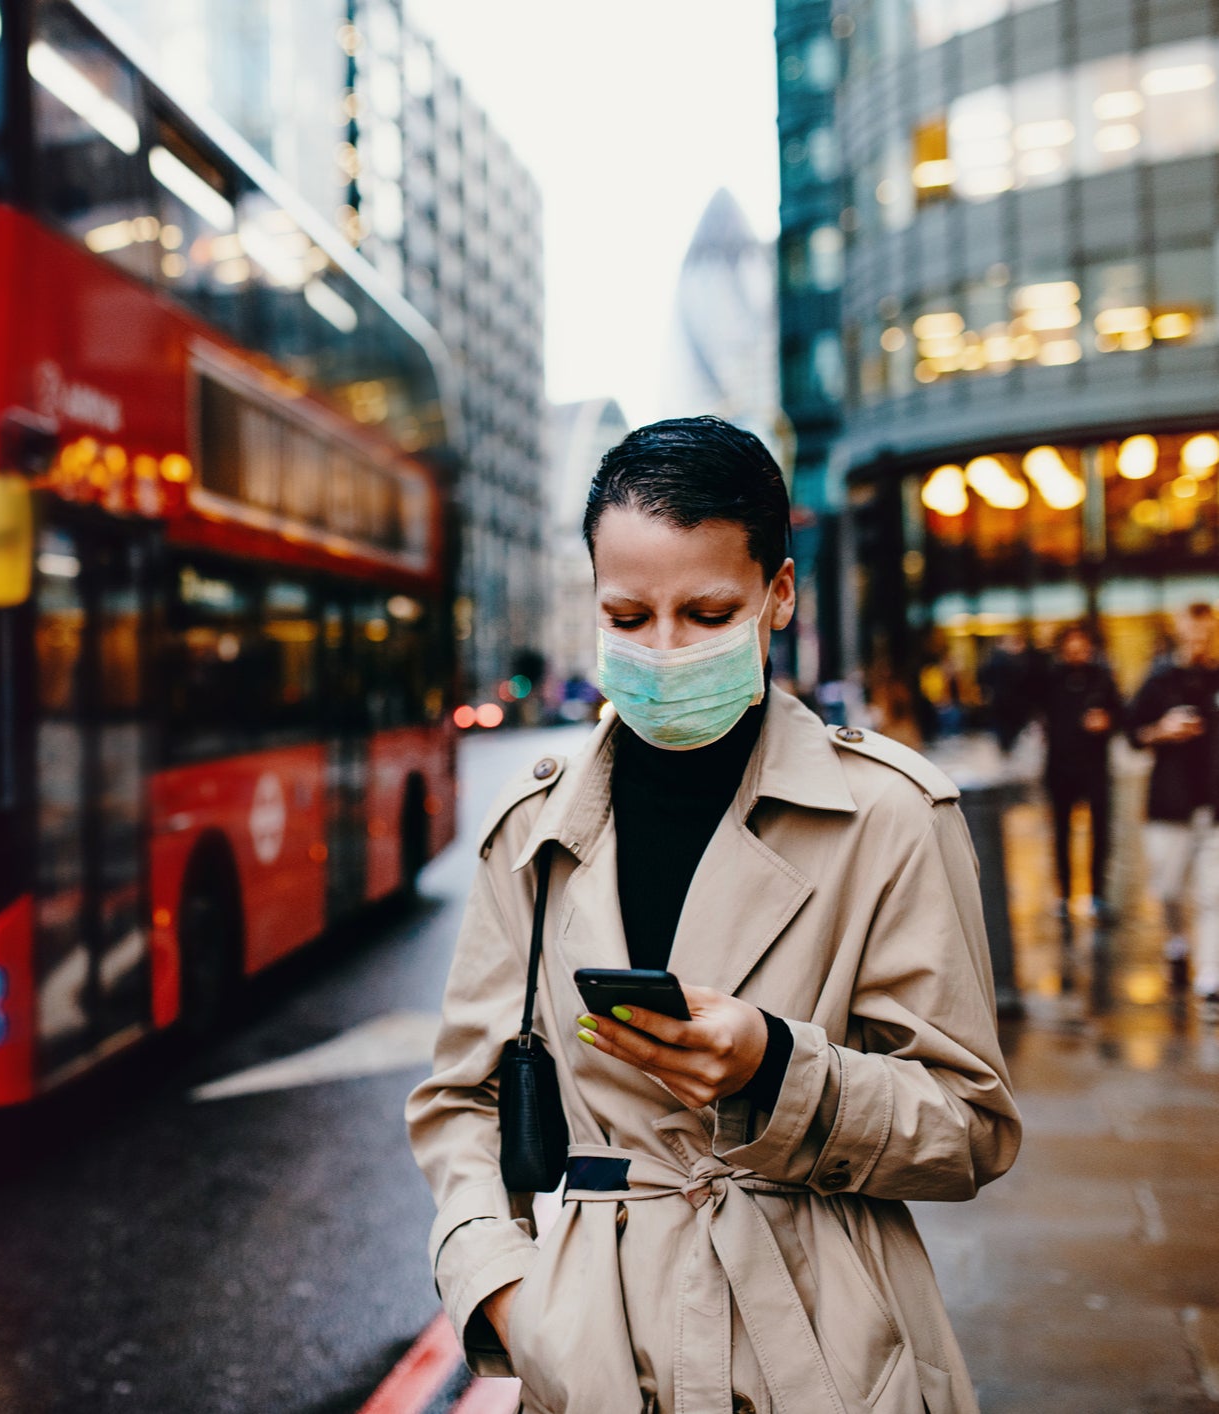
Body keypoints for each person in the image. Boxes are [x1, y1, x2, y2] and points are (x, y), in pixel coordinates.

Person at [407, 416, 1020, 1414]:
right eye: (626, 614)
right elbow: (461, 1103)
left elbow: (970, 1126)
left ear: (777, 594)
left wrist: (775, 1069)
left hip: (826, 1350)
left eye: (703, 611)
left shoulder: (894, 813)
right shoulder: (533, 824)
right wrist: (509, 1297)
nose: (662, 649)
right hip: (590, 1356)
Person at [1125, 603, 1219, 999]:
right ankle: (1177, 943)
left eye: (1205, 633)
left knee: (1212, 892)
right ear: (1181, 632)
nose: (1198, 641)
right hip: (1169, 801)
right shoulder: (1159, 679)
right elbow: (1132, 732)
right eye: (1192, 633)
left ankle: (1210, 974)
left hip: (1213, 804)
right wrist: (1161, 730)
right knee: (1168, 888)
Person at [1035, 623, 1121, 921]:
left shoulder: (1102, 677)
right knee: (1061, 833)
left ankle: (1097, 893)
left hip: (1095, 768)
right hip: (1060, 768)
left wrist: (1106, 721)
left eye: (1082, 646)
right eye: (1072, 647)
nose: (1077, 652)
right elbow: (1026, 691)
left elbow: (1122, 714)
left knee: (1100, 833)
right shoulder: (1050, 678)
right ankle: (1064, 895)